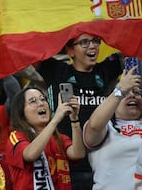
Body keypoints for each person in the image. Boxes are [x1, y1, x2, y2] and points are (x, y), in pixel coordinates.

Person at [37, 33, 123, 189]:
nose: (92, 46)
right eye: (84, 42)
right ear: (70, 51)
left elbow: (130, 46)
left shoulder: (106, 70)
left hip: (105, 164)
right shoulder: (57, 70)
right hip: (68, 166)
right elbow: (28, 52)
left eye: (95, 41)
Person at [7, 86, 85, 189]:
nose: (41, 103)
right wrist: (55, 119)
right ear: (22, 113)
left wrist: (74, 120)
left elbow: (78, 154)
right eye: (33, 101)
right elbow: (30, 154)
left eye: (43, 99)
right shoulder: (16, 136)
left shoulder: (59, 138)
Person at [83, 68, 142, 190]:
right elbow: (93, 127)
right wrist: (119, 91)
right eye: (126, 93)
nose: (132, 95)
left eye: (137, 92)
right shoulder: (106, 127)